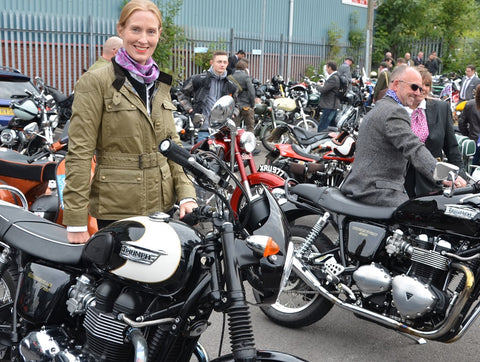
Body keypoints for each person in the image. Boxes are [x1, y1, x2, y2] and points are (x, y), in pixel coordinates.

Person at [63, 0, 197, 244]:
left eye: (151, 31)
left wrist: (186, 194)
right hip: (117, 210)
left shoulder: (161, 82)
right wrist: (76, 220)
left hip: (162, 207)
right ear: (121, 29)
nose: (143, 39)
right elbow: (80, 152)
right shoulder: (96, 81)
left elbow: (172, 145)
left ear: (159, 34)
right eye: (135, 29)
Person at [340, 66, 463, 207]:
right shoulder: (394, 111)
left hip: (363, 187)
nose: (418, 93)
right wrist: (447, 176)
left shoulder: (381, 106)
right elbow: (414, 148)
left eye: (421, 89)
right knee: (416, 220)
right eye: (414, 87)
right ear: (397, 84)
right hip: (377, 192)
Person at [404, 66, 466, 197]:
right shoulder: (397, 111)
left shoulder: (441, 108)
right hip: (402, 184)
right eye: (418, 85)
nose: (422, 89)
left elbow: (452, 148)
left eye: (427, 85)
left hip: (432, 185)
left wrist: (460, 175)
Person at [178, 50, 239, 141]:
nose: (222, 65)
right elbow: (182, 94)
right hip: (203, 129)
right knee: (203, 154)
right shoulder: (198, 79)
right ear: (212, 62)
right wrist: (190, 109)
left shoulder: (231, 85)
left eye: (224, 62)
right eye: (219, 61)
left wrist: (233, 114)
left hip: (222, 130)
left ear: (227, 64)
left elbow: (236, 104)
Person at [459, 84, 480, 166]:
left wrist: (468, 134)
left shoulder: (470, 104)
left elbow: (462, 123)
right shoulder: (470, 104)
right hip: (474, 139)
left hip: (474, 140)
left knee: (471, 166)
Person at [232, 59, 255, 132]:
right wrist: (252, 104)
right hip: (246, 105)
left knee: (235, 127)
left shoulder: (231, 76)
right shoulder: (246, 77)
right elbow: (251, 92)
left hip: (235, 106)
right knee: (250, 127)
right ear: (245, 67)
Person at [316, 61, 341, 131]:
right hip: (333, 105)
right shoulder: (337, 76)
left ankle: (320, 140)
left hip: (329, 106)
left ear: (330, 68)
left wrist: (317, 86)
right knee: (332, 128)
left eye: (326, 68)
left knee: (322, 127)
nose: (326, 69)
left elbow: (323, 90)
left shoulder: (333, 78)